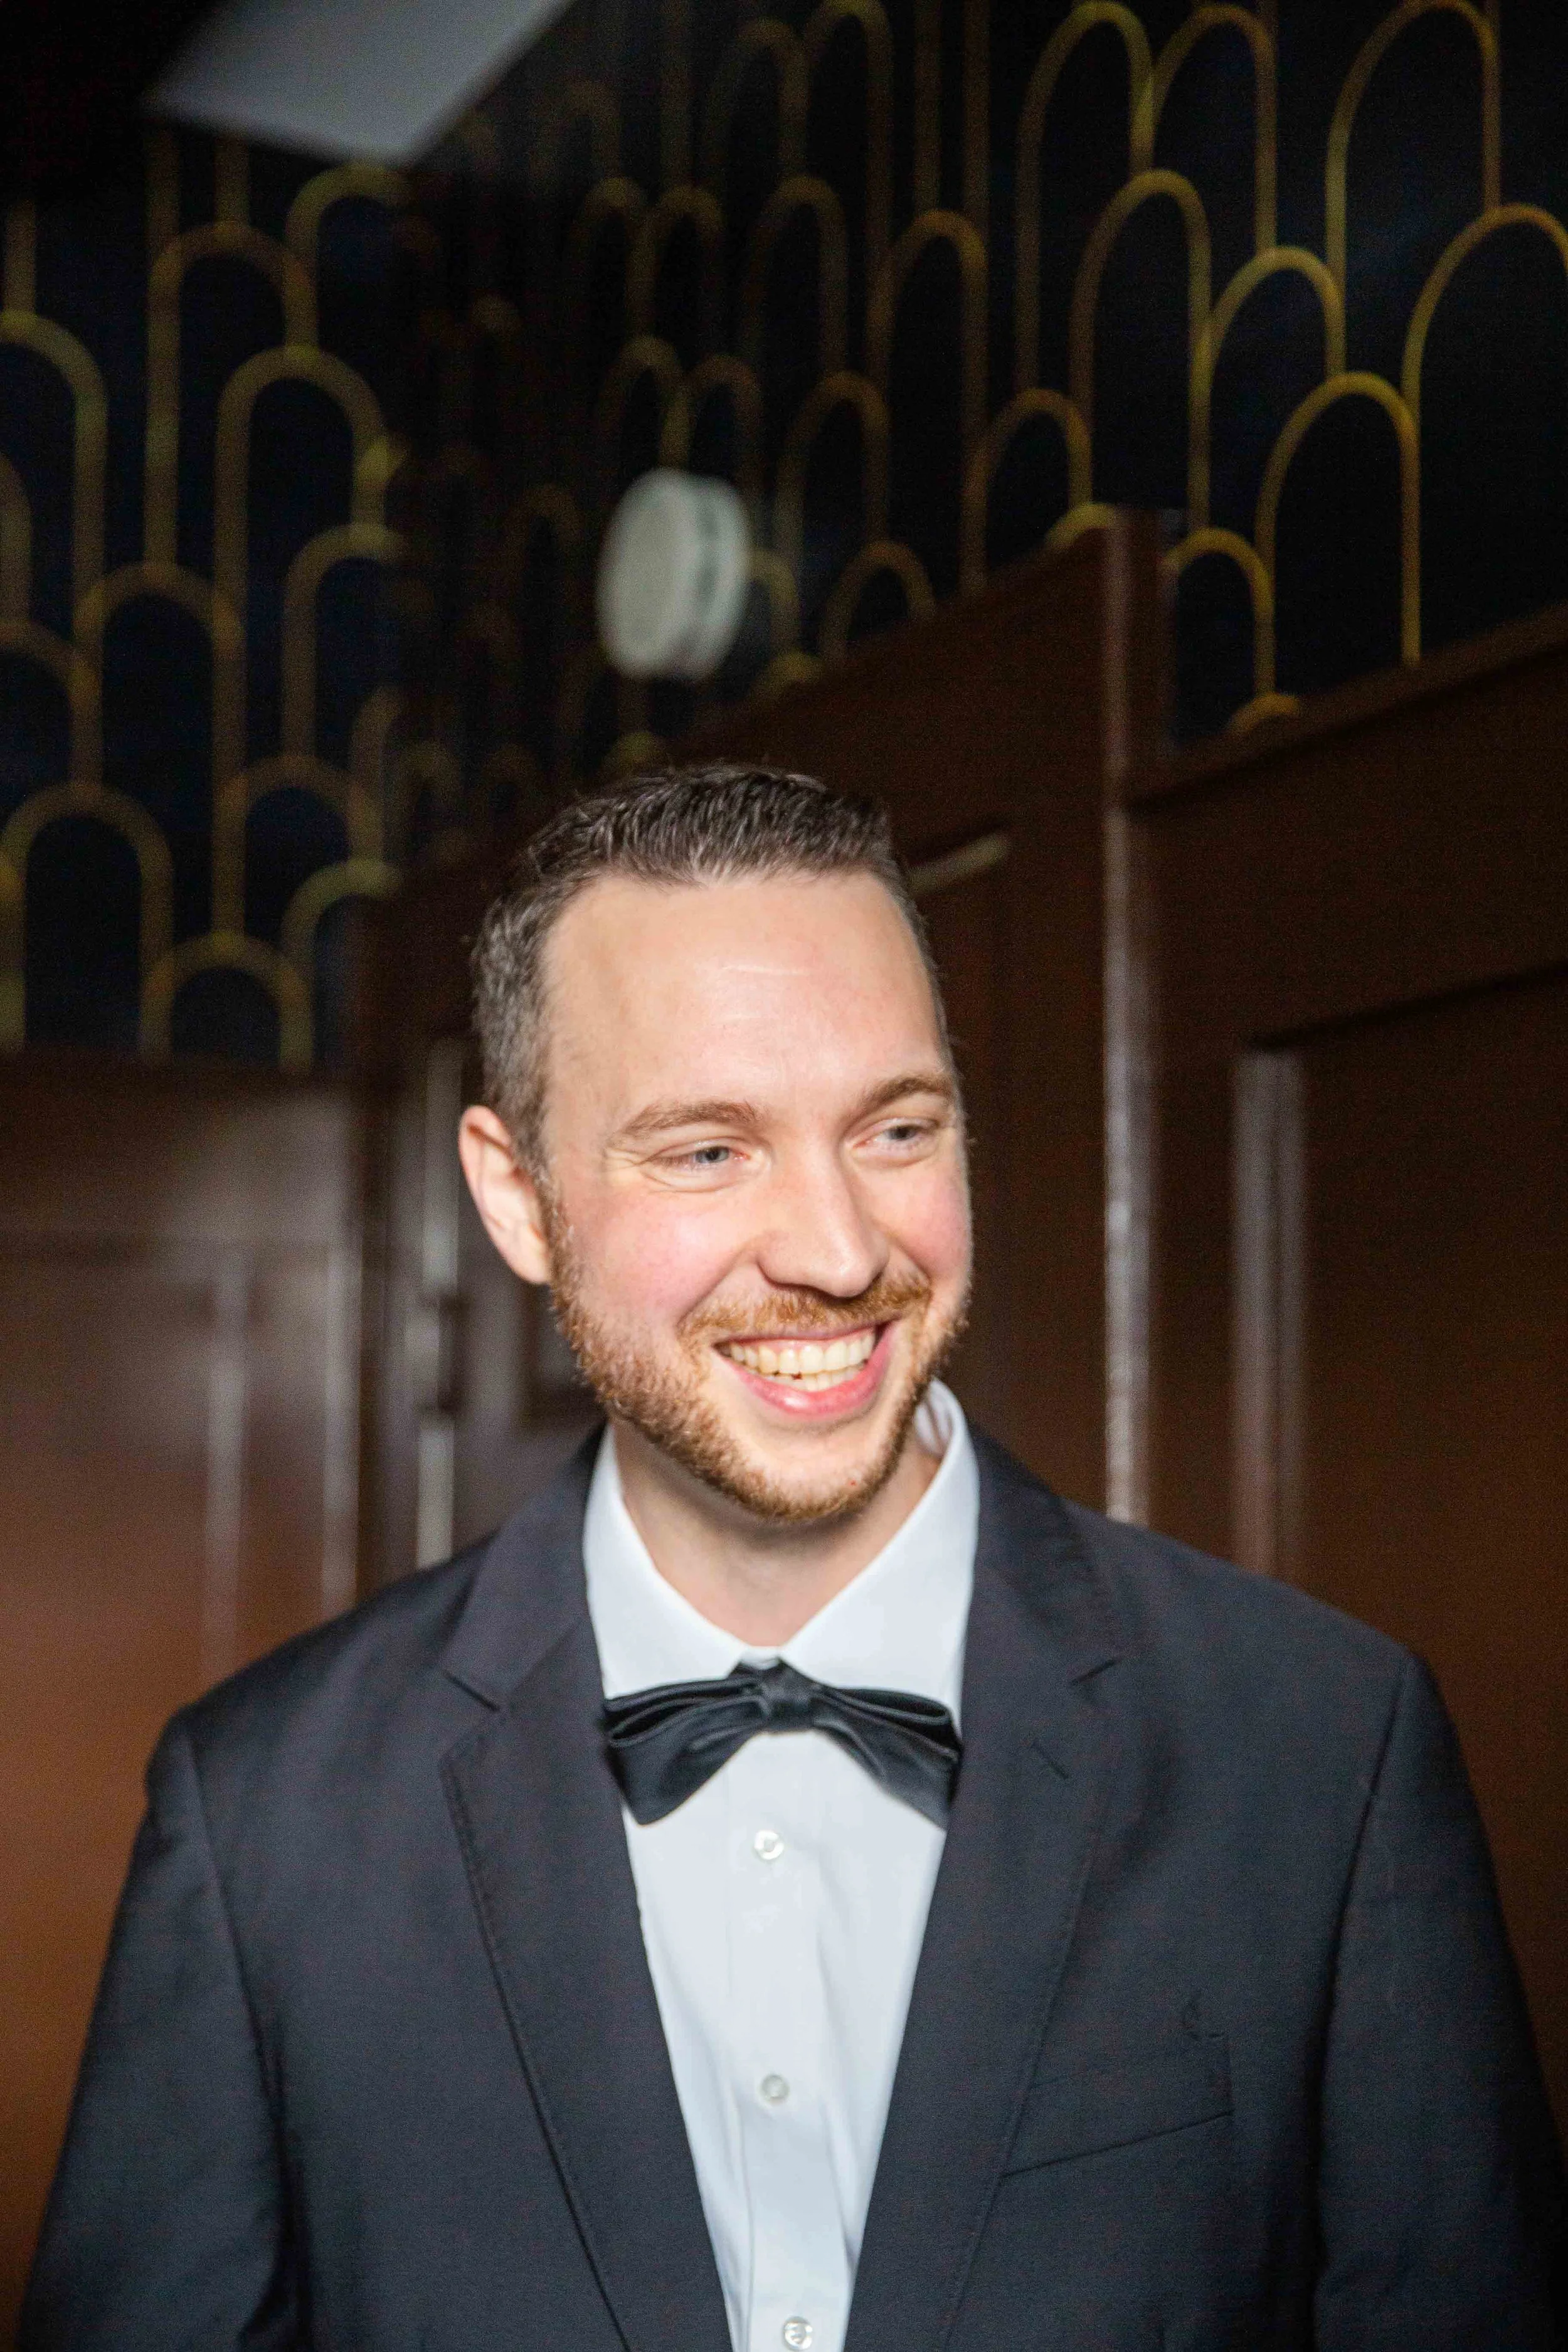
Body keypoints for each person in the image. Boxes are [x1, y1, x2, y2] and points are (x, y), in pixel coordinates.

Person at [23, 763, 1565, 2351]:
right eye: (706, 1152)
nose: (837, 1253)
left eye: (896, 1127)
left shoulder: (1322, 1743)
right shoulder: (260, 1813)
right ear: (518, 1197)